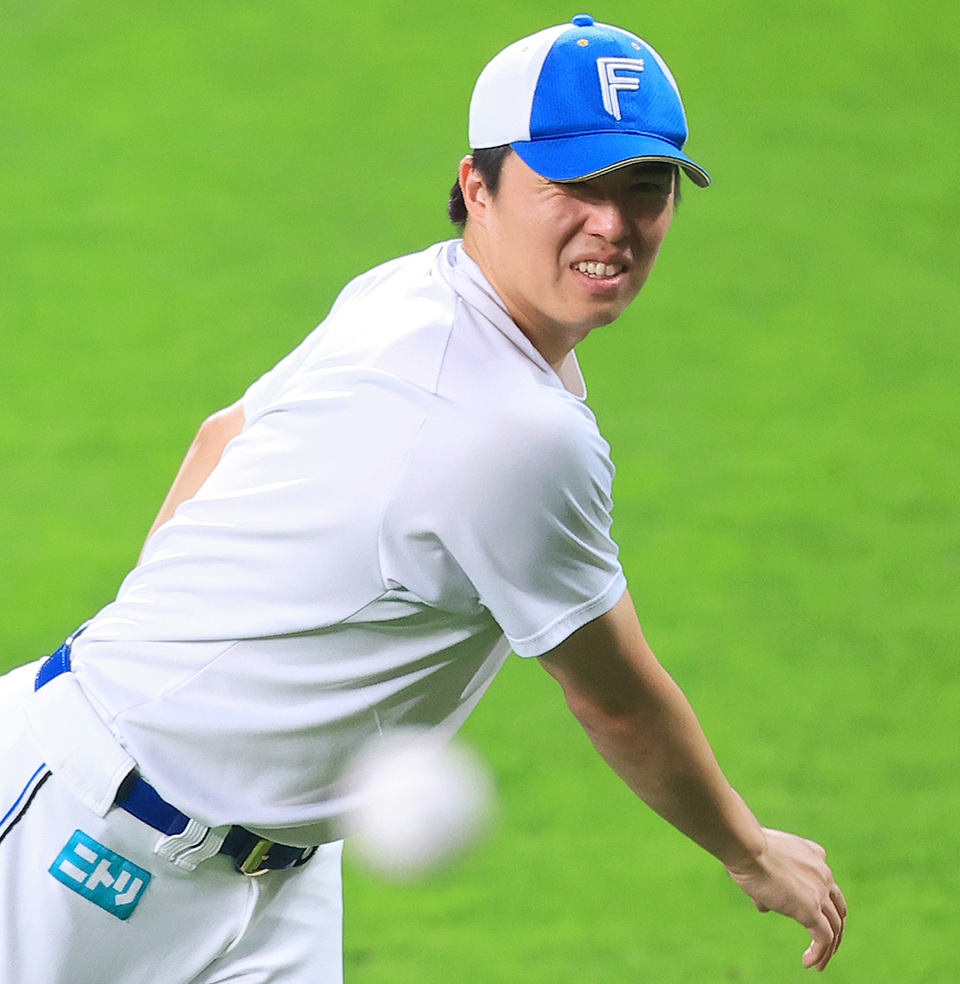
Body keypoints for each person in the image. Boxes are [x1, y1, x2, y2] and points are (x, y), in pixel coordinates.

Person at [0, 14, 846, 982]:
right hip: (77, 834)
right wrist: (749, 850)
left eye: (645, 188)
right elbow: (613, 699)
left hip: (278, 888)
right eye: (573, 185)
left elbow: (219, 438)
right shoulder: (519, 432)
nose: (612, 224)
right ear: (478, 186)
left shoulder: (416, 291)